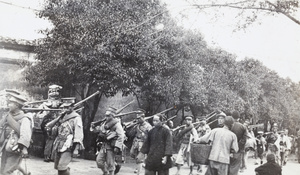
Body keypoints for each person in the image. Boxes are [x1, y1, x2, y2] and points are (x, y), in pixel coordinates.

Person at [45, 97, 84, 175]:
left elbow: (78, 134)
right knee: (58, 167)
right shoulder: (62, 117)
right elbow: (51, 128)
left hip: (69, 144)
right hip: (59, 143)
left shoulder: (76, 118)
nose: (66, 108)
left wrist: (76, 149)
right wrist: (59, 118)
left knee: (62, 166)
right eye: (64, 107)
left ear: (73, 107)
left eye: (68, 107)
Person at [0, 90, 32, 175]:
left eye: (11, 103)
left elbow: (25, 135)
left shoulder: (24, 119)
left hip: (16, 148)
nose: (8, 105)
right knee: (3, 169)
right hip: (5, 147)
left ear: (17, 105)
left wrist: (24, 148)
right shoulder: (8, 115)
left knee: (7, 172)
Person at [93, 107, 125, 175]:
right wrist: (94, 127)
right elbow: (99, 130)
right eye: (106, 115)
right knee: (99, 161)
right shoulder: (104, 123)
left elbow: (121, 135)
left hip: (111, 146)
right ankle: (105, 172)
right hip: (103, 145)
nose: (106, 117)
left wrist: (117, 146)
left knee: (110, 164)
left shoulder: (117, 124)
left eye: (108, 115)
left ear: (112, 115)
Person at [40, 84, 62, 162]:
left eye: (56, 91)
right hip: (49, 123)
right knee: (50, 139)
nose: (54, 93)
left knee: (57, 140)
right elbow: (40, 114)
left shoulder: (61, 103)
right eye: (52, 91)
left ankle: (53, 156)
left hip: (58, 123)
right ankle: (47, 156)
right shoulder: (45, 104)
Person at [129, 109, 152, 175]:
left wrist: (144, 135)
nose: (137, 119)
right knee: (132, 154)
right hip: (136, 143)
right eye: (137, 118)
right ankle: (143, 165)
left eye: (139, 118)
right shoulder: (137, 125)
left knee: (139, 159)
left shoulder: (148, 126)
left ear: (143, 117)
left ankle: (139, 172)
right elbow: (131, 134)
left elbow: (151, 137)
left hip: (143, 143)